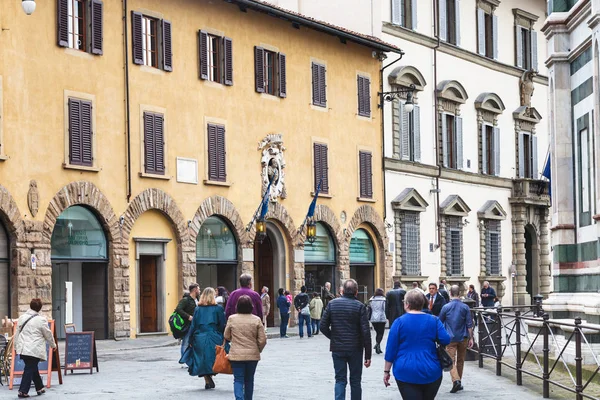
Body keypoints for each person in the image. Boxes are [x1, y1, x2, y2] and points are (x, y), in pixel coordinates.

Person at [383, 290, 451, 399]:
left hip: (405, 369)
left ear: (407, 304)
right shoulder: (434, 320)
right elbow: (446, 339)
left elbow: (391, 349)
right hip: (431, 368)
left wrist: (386, 371)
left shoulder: (399, 322)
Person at [321, 279, 371, 400]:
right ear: (356, 292)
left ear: (342, 291)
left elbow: (322, 326)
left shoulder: (332, 304)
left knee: (340, 379)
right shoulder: (360, 306)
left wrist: (333, 337)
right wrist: (368, 356)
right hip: (355, 349)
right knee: (355, 381)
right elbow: (366, 332)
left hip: (338, 348)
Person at [181, 287, 225, 390]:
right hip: (214, 336)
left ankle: (207, 379)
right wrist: (223, 336)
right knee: (213, 359)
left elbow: (194, 325)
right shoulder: (218, 309)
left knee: (201, 359)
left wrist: (191, 338)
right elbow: (222, 324)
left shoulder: (198, 309)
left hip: (199, 336)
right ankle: (209, 377)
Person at [224, 295, 267, 400]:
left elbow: (226, 336)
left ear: (237, 306)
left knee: (238, 379)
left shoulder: (232, 319)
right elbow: (262, 340)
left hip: (236, 355)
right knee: (249, 380)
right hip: (252, 355)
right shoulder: (256, 320)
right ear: (251, 306)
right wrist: (258, 349)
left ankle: (239, 398)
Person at [14, 298, 57, 399]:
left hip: (24, 348)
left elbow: (17, 334)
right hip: (34, 349)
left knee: (32, 367)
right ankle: (23, 391)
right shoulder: (41, 320)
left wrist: (16, 347)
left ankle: (39, 387)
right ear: (40, 308)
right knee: (29, 368)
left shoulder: (22, 318)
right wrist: (53, 345)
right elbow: (48, 334)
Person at [439, 285, 474, 393]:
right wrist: (471, 338)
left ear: (450, 293)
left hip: (450, 338)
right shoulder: (465, 307)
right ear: (460, 293)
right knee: (460, 360)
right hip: (463, 337)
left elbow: (440, 322)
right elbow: (469, 324)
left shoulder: (446, 307)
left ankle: (456, 381)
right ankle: (458, 381)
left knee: (450, 360)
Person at [176, 283, 200, 357]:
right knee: (186, 342)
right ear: (195, 290)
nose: (199, 291)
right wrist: (188, 316)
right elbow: (178, 309)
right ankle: (184, 358)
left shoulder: (198, 299)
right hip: (188, 325)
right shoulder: (186, 300)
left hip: (196, 324)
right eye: (199, 289)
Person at [369, 288, 387, 355]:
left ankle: (378, 347)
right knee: (381, 333)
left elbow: (371, 308)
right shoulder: (383, 300)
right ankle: (377, 344)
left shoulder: (371, 299)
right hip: (381, 317)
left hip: (373, 317)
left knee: (377, 332)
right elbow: (384, 309)